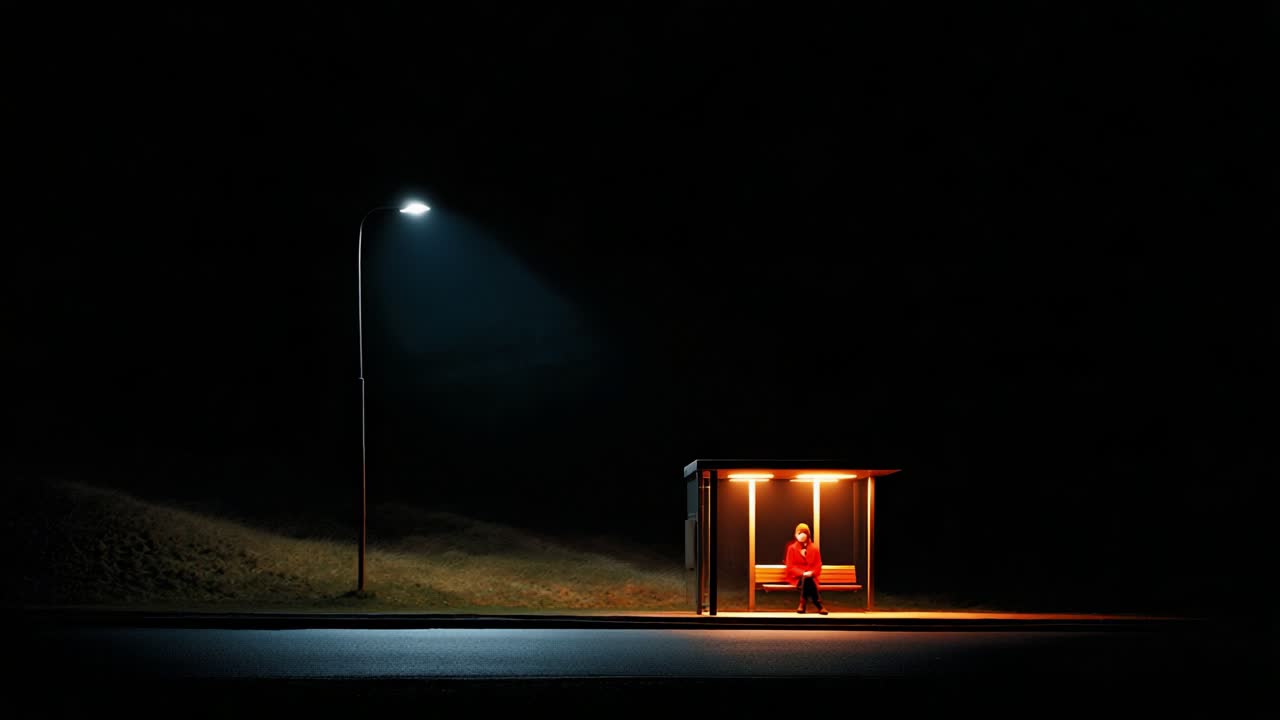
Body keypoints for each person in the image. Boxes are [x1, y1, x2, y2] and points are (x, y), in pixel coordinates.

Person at [784, 522, 827, 614]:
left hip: (811, 578)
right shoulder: (792, 548)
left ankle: (802, 604)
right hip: (797, 578)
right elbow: (790, 567)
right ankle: (819, 605)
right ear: (796, 535)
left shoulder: (814, 549)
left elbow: (818, 566)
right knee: (806, 579)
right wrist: (803, 573)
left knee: (807, 579)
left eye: (804, 533)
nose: (802, 535)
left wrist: (811, 573)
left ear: (808, 535)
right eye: (799, 533)